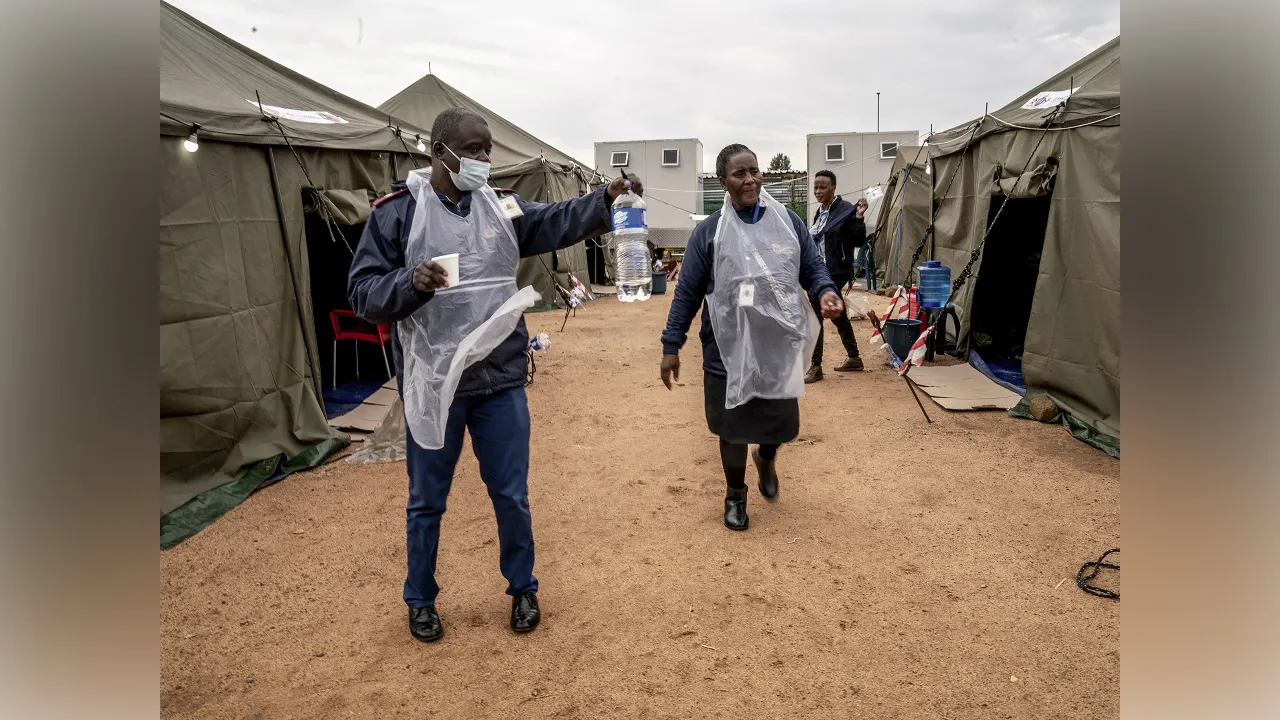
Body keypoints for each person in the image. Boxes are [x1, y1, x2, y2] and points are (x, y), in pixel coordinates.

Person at [347, 107, 633, 643]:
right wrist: (411, 282)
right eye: (472, 149)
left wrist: (604, 200)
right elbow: (363, 293)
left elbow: (553, 219)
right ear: (438, 152)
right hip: (436, 385)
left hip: (498, 380)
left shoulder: (500, 206)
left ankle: (523, 589)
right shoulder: (397, 215)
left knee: (511, 493)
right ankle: (421, 600)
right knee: (426, 501)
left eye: (487, 150)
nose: (482, 159)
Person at [659, 144, 843, 531]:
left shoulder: (788, 222)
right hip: (727, 348)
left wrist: (826, 291)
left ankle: (768, 457)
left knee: (779, 422)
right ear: (723, 182)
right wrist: (671, 345)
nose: (751, 180)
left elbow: (812, 267)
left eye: (755, 171)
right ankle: (735, 496)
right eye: (740, 174)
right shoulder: (709, 233)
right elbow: (688, 292)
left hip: (777, 344)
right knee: (733, 425)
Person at [805, 170, 868, 382]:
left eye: (823, 187)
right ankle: (854, 358)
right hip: (820, 269)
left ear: (833, 187)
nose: (818, 191)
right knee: (837, 313)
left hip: (835, 270)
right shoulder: (820, 212)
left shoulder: (845, 210)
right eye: (816, 187)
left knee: (815, 312)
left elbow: (858, 241)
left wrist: (859, 216)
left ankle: (816, 366)